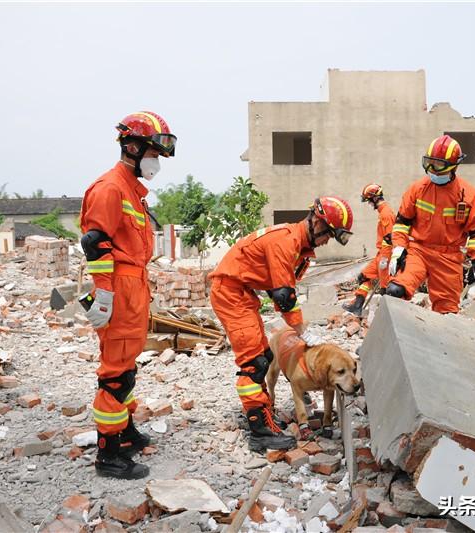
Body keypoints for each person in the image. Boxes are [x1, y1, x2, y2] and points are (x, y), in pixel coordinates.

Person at [209, 197, 353, 452]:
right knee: (254, 363)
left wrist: (296, 326)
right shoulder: (285, 242)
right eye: (328, 234)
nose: (327, 241)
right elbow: (284, 297)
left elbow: (281, 290)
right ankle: (259, 433)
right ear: (316, 222)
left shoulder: (299, 248)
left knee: (263, 355)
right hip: (231, 293)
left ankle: (263, 413)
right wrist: (299, 331)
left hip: (242, 292)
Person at [80, 111, 177, 479]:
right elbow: (95, 243)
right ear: (133, 147)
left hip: (133, 287)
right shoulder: (110, 188)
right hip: (118, 289)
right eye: (154, 152)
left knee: (127, 367)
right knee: (116, 375)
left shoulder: (133, 192)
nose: (156, 161)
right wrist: (104, 296)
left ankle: (125, 431)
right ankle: (109, 455)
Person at [386, 134, 475, 313]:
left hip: (448, 258)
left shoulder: (470, 195)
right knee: (396, 290)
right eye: (429, 163)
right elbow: (402, 223)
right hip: (419, 251)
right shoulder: (417, 189)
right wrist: (399, 248)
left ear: (454, 166)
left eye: (438, 165)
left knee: (447, 311)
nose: (432, 170)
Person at [343, 183, 395, 315]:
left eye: (369, 201)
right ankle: (357, 306)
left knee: (385, 287)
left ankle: (388, 314)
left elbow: (390, 237)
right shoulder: (382, 212)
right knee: (364, 276)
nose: (369, 204)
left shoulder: (386, 212)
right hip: (381, 253)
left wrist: (385, 260)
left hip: (385, 254)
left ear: (375, 198)